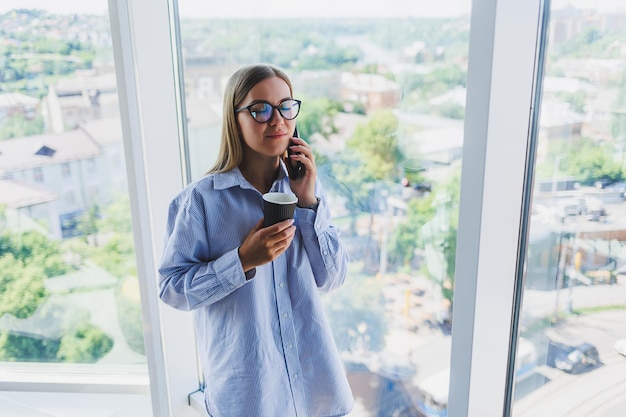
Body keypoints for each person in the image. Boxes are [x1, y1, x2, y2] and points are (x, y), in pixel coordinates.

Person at [158, 63, 354, 417]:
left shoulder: (305, 189)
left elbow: (333, 278)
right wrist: (242, 260)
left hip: (317, 391)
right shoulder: (200, 201)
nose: (277, 120)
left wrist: (308, 201)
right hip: (249, 397)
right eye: (260, 109)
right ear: (235, 119)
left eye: (285, 107)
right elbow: (171, 288)